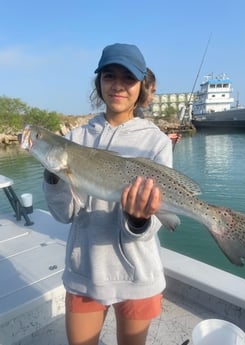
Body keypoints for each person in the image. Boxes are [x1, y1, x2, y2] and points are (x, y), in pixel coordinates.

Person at [43, 43, 173, 345]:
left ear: (142, 87)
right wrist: (54, 177)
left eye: (128, 78)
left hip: (138, 274)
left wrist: (139, 220)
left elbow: (151, 224)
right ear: (98, 83)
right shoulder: (74, 140)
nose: (117, 85)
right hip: (85, 271)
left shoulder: (156, 142)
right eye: (108, 76)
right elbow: (64, 215)